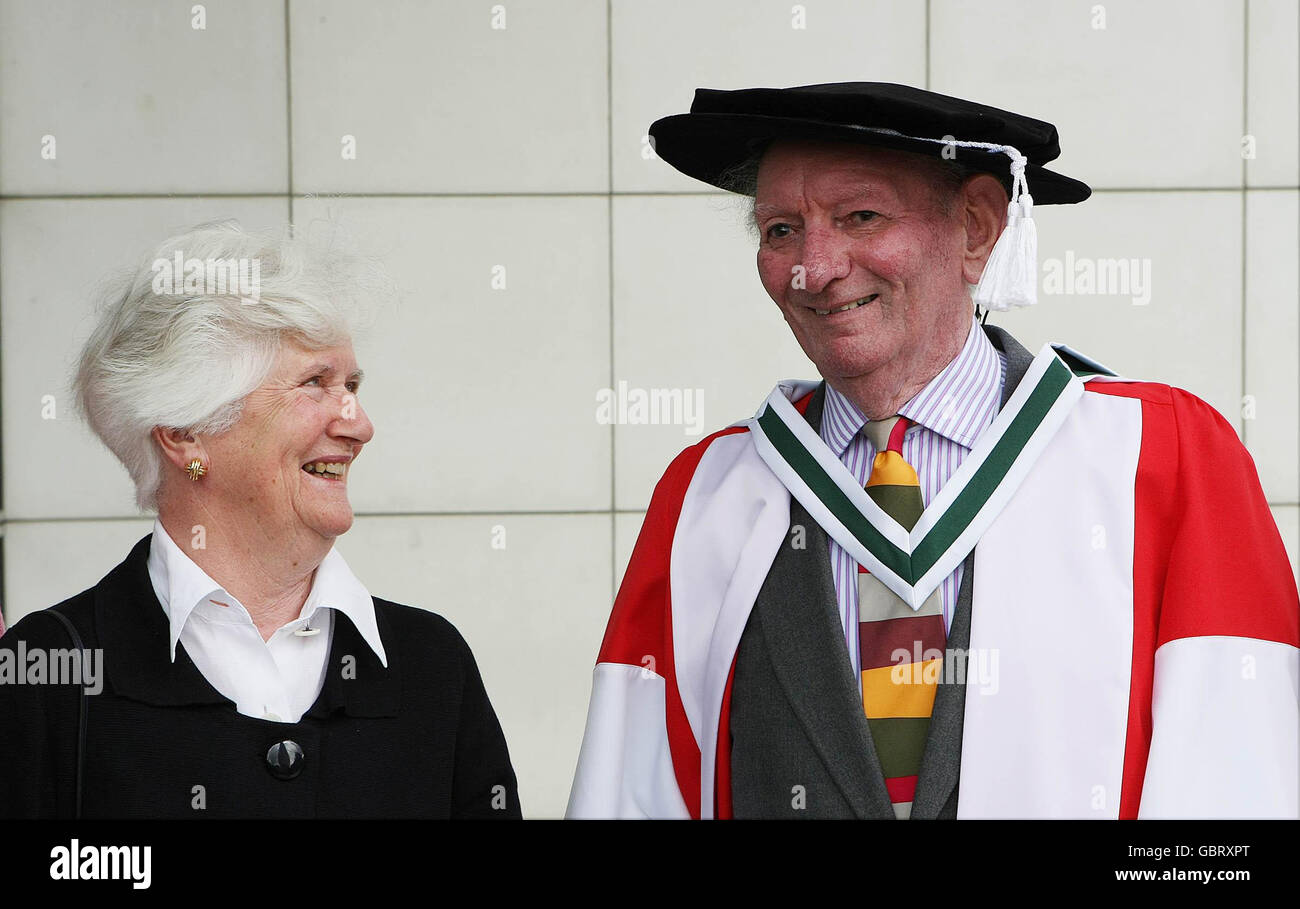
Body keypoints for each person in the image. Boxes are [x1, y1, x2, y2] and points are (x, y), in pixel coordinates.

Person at [567, 82, 1299, 819]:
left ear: (977, 228)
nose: (813, 269)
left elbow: (1233, 795)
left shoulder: (1161, 460)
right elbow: (637, 791)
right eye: (781, 229)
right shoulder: (706, 498)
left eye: (860, 216)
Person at [0, 221, 520, 818]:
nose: (359, 424)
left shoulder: (431, 665)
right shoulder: (50, 672)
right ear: (186, 432)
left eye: (351, 385)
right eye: (315, 384)